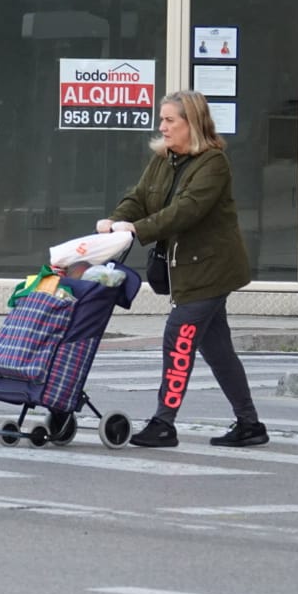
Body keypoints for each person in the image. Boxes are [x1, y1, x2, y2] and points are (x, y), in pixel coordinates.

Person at [96, 90, 268, 448]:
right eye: (162, 119)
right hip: (185, 270)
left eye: (170, 120)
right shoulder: (164, 158)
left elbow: (187, 210)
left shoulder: (213, 163)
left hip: (210, 271)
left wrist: (137, 229)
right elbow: (140, 196)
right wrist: (117, 218)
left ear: (193, 122)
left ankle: (163, 422)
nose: (163, 126)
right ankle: (250, 424)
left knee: (178, 337)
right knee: (218, 349)